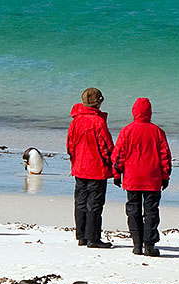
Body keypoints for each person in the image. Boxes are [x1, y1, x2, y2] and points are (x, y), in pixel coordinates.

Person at [111, 98, 172, 257]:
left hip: (132, 178)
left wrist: (117, 174)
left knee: (133, 210)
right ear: (150, 112)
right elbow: (165, 156)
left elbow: (118, 156)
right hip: (152, 178)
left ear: (133, 112)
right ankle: (149, 246)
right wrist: (165, 176)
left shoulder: (127, 131)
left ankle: (137, 244)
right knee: (151, 211)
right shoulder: (157, 131)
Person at [67, 87, 114, 249]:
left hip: (80, 167)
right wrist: (113, 165)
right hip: (96, 168)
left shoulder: (76, 121)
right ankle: (93, 238)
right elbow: (106, 147)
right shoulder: (98, 122)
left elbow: (70, 146)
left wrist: (75, 161)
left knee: (80, 201)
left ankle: (82, 236)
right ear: (98, 103)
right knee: (94, 204)